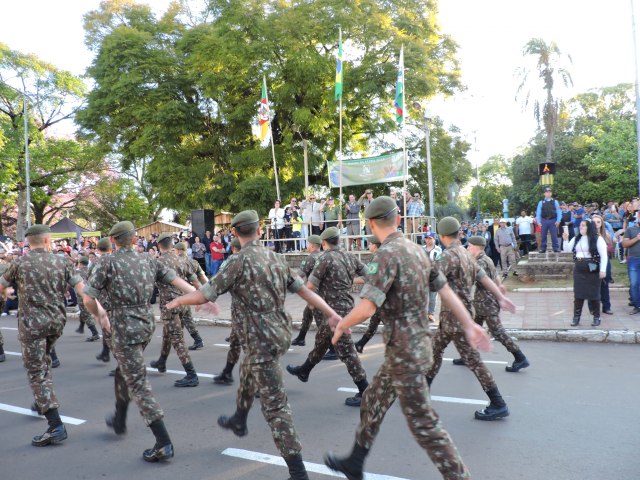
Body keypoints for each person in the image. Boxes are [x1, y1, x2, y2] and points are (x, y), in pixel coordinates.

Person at [323, 197, 495, 480]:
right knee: (373, 399)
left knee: (425, 425)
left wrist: (341, 325)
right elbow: (445, 291)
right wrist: (469, 323)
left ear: (371, 223)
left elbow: (366, 307)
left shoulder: (386, 255)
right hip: (410, 349)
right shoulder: (418, 251)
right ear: (398, 219)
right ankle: (355, 460)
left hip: (406, 354)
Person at [166, 210, 342, 480]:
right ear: (259, 230)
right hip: (279, 332)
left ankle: (298, 471)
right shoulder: (276, 258)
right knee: (248, 369)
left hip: (260, 339)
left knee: (276, 407)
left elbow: (205, 294)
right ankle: (239, 417)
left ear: (235, 233)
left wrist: (178, 301)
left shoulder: (236, 262)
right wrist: (330, 312)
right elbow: (305, 291)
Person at [79, 221, 198, 462]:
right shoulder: (149, 260)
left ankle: (163, 442)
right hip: (145, 323)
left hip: (122, 327)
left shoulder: (107, 263)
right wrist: (199, 296)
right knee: (126, 370)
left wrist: (99, 314)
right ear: (135, 239)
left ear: (113, 240)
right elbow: (179, 282)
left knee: (138, 383)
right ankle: (120, 418)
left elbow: (87, 297)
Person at [0, 224, 83, 446]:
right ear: (47, 240)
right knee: (44, 359)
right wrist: (99, 311)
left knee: (35, 370)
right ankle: (41, 400)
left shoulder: (20, 262)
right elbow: (81, 288)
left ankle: (55, 425)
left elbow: (1, 285)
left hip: (32, 325)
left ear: (29, 242)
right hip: (56, 321)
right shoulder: (62, 260)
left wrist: (7, 291)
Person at [426, 217, 515, 421]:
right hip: (460, 315)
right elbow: (485, 279)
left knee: (473, 361)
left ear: (441, 236)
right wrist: (501, 297)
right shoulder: (467, 256)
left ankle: (498, 402)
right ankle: (423, 390)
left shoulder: (448, 256)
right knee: (435, 350)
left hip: (454, 318)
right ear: (459, 233)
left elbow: (430, 280)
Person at [286, 227, 369, 407]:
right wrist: (352, 282)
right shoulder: (350, 257)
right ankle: (304, 370)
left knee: (347, 351)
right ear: (338, 240)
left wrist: (309, 300)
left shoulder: (324, 258)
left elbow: (310, 286)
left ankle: (365, 391)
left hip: (333, 314)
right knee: (322, 341)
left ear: (323, 243)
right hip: (347, 308)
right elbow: (371, 275)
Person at [452, 236, 530, 372]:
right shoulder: (485, 259)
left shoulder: (481, 262)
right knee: (474, 328)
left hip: (487, 304)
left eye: (469, 246)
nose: (467, 248)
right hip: (482, 303)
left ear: (476, 247)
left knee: (498, 332)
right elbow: (496, 276)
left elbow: (473, 279)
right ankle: (468, 357)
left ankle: (520, 357)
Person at [148, 233, 201, 387]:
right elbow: (195, 280)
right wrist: (201, 298)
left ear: (159, 246)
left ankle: (191, 374)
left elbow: (149, 285)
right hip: (184, 302)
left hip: (169, 305)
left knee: (177, 339)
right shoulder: (182, 259)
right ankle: (162, 362)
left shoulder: (158, 262)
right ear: (172, 244)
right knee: (168, 333)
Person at [563, 220, 608, 326]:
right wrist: (565, 240)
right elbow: (567, 250)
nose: (581, 227)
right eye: (580, 225)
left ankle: (596, 317)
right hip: (579, 268)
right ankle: (576, 318)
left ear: (589, 227)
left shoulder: (597, 238)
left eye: (583, 225)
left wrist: (603, 270)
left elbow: (604, 255)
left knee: (594, 294)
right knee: (578, 294)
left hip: (592, 267)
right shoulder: (577, 238)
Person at [212, 238, 243, 385]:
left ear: (233, 248)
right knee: (235, 343)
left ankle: (259, 384)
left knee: (251, 349)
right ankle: (227, 372)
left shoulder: (233, 260)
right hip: (254, 311)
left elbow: (219, 280)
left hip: (243, 312)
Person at [291, 235, 323, 346]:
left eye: (308, 243)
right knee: (307, 314)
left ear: (312, 245)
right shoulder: (323, 255)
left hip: (315, 293)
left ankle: (332, 347)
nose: (307, 245)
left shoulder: (311, 258)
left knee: (320, 321)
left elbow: (300, 274)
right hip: (322, 291)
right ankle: (301, 337)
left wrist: (286, 273)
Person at [354, 236, 382, 352]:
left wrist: (352, 280)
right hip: (380, 296)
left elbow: (369, 278)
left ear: (375, 245)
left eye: (370, 244)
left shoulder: (376, 257)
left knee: (390, 323)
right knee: (374, 321)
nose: (369, 246)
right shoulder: (381, 255)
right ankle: (361, 343)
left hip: (381, 296)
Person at [93, 237, 113, 363]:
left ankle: (122, 364)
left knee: (108, 330)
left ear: (98, 249)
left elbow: (92, 282)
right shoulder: (117, 260)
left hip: (104, 301)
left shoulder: (99, 263)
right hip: (117, 300)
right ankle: (105, 352)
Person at [74, 255, 101, 342]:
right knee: (84, 311)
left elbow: (70, 283)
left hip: (82, 294)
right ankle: (81, 327)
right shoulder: (91, 271)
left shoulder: (77, 272)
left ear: (80, 263)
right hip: (92, 292)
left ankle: (95, 333)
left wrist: (65, 290)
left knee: (85, 313)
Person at [592, 215, 614, 315]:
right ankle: (592, 307)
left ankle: (606, 307)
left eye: (598, 222)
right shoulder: (587, 235)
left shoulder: (606, 235)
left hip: (605, 261)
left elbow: (610, 250)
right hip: (592, 262)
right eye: (594, 222)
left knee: (604, 284)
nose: (596, 224)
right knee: (592, 284)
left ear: (602, 224)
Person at [536, 186, 562, 253]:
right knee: (543, 235)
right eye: (547, 192)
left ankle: (556, 248)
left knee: (554, 235)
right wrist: (538, 222)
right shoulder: (541, 202)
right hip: (544, 220)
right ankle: (543, 248)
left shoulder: (555, 202)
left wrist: (558, 220)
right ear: (544, 193)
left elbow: (559, 212)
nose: (548, 193)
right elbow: (538, 213)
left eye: (549, 192)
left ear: (551, 193)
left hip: (553, 220)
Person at [424, 231, 442, 323]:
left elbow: (439, 263)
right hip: (423, 276)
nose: (428, 240)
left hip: (433, 276)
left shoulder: (438, 250)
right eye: (426, 238)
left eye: (430, 238)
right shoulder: (421, 249)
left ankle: (430, 314)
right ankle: (422, 314)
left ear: (434, 239)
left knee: (432, 296)